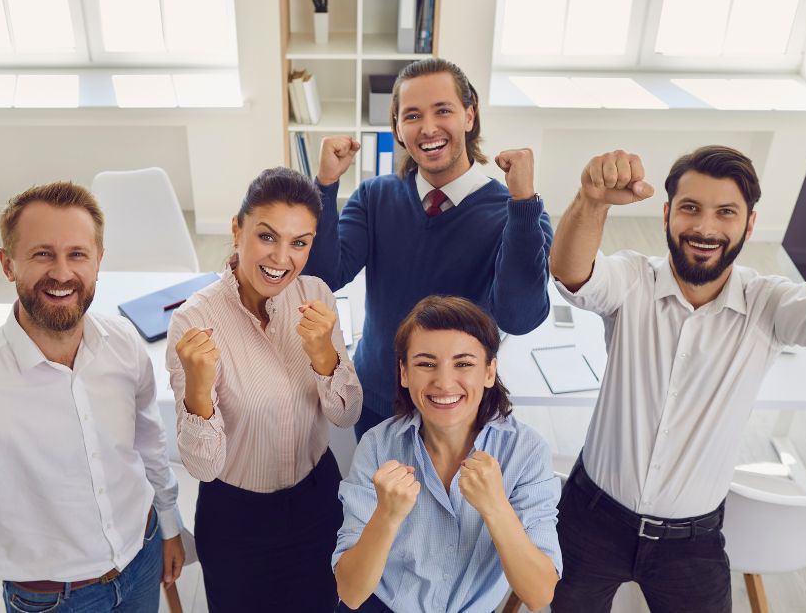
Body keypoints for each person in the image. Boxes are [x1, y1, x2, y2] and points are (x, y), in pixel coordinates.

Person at [547, 146, 806, 612]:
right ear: (667, 214)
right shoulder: (632, 279)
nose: (705, 228)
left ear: (749, 224)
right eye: (690, 208)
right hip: (591, 519)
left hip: (690, 541)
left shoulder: (768, 303)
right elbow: (572, 273)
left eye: (725, 212)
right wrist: (592, 201)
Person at [0, 182, 185, 612]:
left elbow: (148, 445)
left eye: (77, 254)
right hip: (55, 601)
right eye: (42, 254)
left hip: (143, 556)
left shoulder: (123, 344)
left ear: (99, 260)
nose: (62, 273)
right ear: (8, 264)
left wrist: (170, 523)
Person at [304, 58, 553, 439]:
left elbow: (519, 317)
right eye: (413, 116)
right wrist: (324, 185)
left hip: (458, 405)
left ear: (470, 116)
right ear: (399, 130)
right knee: (377, 498)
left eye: (443, 111)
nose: (429, 128)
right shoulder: (374, 196)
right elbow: (323, 277)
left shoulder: (517, 213)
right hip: (378, 399)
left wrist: (521, 205)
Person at [168, 167, 362, 612]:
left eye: (300, 242)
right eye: (267, 236)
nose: (282, 258)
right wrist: (198, 391)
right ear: (237, 230)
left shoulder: (317, 296)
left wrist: (324, 357)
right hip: (237, 517)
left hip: (317, 502)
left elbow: (346, 415)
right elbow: (202, 464)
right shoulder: (193, 321)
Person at [333, 296, 561, 613]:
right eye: (426, 364)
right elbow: (351, 592)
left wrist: (496, 507)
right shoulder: (378, 446)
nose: (443, 382)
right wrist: (386, 516)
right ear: (404, 373)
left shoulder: (526, 452)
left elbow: (539, 595)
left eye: (464, 364)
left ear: (489, 372)